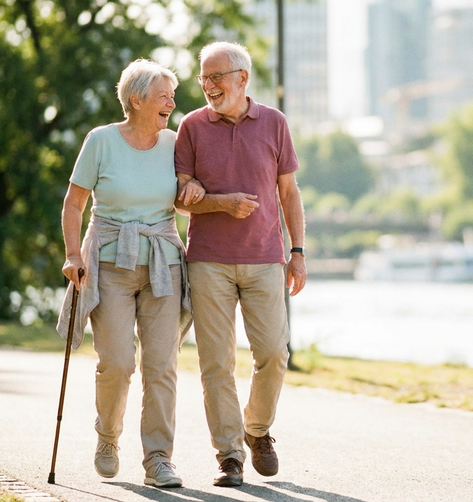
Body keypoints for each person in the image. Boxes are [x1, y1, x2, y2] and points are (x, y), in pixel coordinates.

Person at [56, 59, 195, 488]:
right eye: (163, 95)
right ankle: (108, 437)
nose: (172, 102)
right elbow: (74, 204)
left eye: (172, 95)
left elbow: (187, 202)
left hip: (163, 266)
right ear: (136, 100)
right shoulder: (100, 141)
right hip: (110, 266)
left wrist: (195, 192)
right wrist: (72, 254)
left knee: (162, 366)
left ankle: (158, 458)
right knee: (116, 363)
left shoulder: (176, 142)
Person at [173, 41, 306, 487]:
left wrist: (298, 252)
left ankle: (257, 430)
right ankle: (229, 456)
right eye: (203, 78)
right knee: (216, 364)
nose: (208, 86)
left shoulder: (274, 122)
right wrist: (217, 202)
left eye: (216, 77)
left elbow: (289, 193)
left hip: (266, 258)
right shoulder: (191, 126)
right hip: (208, 262)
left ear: (242, 78)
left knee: (273, 353)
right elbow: (181, 196)